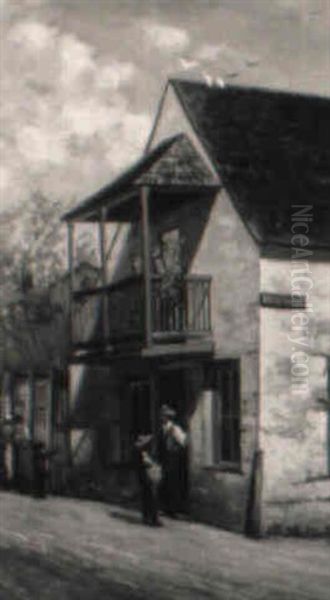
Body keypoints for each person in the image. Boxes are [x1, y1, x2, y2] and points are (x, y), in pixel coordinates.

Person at [158, 404, 188, 518]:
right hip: (166, 458)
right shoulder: (162, 428)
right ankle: (167, 508)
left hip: (174, 459)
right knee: (166, 482)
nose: (162, 418)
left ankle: (175, 509)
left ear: (168, 417)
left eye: (164, 416)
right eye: (162, 416)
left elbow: (183, 442)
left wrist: (176, 451)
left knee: (174, 483)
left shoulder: (175, 428)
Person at [135, 434, 162, 527]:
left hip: (146, 477)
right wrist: (155, 465)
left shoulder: (143, 452)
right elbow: (148, 463)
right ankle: (153, 519)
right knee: (152, 497)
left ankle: (148, 517)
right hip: (148, 476)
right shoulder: (143, 452)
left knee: (147, 497)